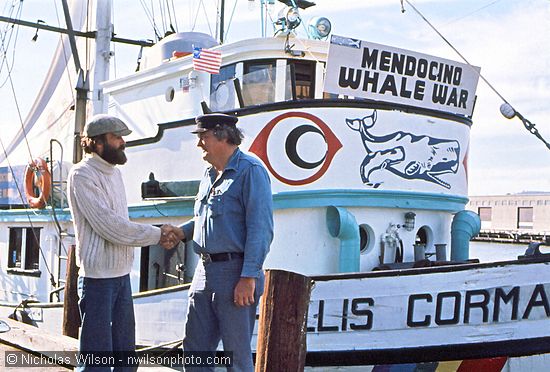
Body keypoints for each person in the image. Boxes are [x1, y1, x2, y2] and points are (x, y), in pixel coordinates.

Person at [67, 114, 182, 371]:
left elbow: (120, 224)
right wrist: (158, 234)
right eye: (117, 137)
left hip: (120, 278)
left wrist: (154, 234)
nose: (122, 142)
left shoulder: (115, 174)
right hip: (97, 280)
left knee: (126, 360)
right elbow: (110, 226)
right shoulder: (81, 174)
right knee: (96, 362)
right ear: (97, 143)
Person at [177, 113, 273, 371]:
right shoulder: (209, 174)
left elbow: (260, 229)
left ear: (222, 137)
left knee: (236, 357)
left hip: (235, 273)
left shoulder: (251, 172)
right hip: (204, 271)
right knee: (194, 351)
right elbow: (206, 219)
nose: (199, 144)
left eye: (203, 137)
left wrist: (248, 277)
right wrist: (181, 232)